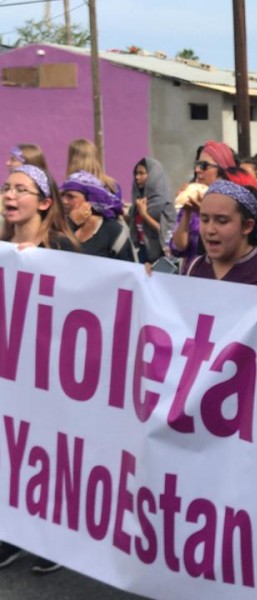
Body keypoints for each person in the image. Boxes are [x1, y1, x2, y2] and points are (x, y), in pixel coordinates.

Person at [185, 179, 257, 598]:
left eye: (222, 221)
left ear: (248, 225)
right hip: (206, 408)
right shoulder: (192, 268)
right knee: (207, 491)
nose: (210, 230)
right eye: (205, 219)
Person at [0, 164, 79, 573]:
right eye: (6, 188)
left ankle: (53, 537)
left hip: (51, 375)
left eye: (21, 189)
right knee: (9, 450)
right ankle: (10, 534)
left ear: (44, 203)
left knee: (46, 453)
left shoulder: (62, 249)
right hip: (9, 372)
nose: (10, 195)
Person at [170, 140, 237, 266]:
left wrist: (203, 213)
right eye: (197, 164)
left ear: (222, 170)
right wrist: (187, 213)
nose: (197, 170)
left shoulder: (233, 202)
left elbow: (231, 245)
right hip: (193, 277)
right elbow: (179, 247)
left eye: (204, 165)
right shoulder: (192, 196)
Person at [60, 171, 136, 261]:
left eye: (70, 196)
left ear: (90, 201)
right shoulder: (59, 226)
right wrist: (71, 224)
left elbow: (128, 268)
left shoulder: (113, 232)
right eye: (62, 195)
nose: (63, 201)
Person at [128, 158, 176, 264]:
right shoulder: (138, 201)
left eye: (141, 173)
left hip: (161, 256)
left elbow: (168, 232)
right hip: (142, 253)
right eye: (136, 173)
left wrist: (144, 215)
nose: (137, 177)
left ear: (154, 176)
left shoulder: (164, 203)